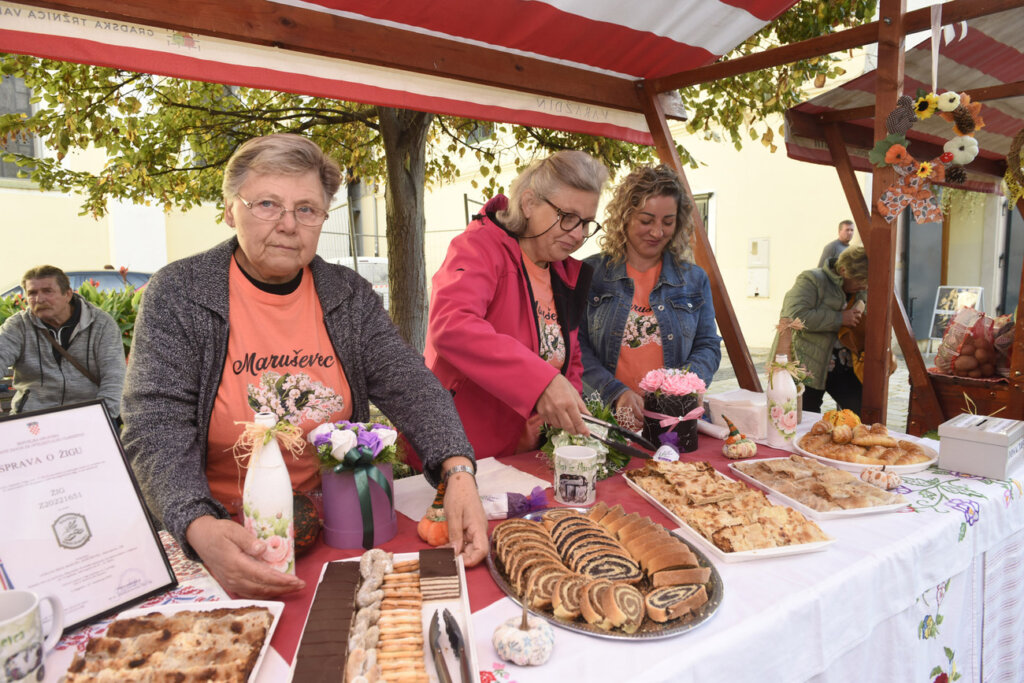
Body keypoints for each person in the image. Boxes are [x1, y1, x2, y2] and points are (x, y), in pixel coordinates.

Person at [121, 134, 486, 599]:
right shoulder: (180, 293)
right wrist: (197, 522)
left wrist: (458, 471)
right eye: (268, 204)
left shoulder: (347, 295)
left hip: (333, 519)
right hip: (223, 528)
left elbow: (411, 385)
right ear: (231, 209)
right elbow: (154, 426)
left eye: (307, 209)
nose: (289, 225)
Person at [425, 151, 609, 459]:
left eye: (587, 223)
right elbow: (452, 326)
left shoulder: (564, 273)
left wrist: (570, 417)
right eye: (567, 218)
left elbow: (570, 358)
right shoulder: (479, 247)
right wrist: (541, 382)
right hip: (464, 452)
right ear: (528, 203)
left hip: (529, 453)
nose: (577, 234)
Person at [579, 165, 721, 430]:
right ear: (624, 217)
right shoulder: (589, 274)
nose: (657, 232)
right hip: (602, 421)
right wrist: (615, 393)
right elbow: (576, 349)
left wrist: (683, 384)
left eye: (668, 222)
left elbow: (708, 345)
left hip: (672, 422)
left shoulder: (694, 279)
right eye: (646, 220)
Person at [0, 265, 126, 419]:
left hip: (90, 417)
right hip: (32, 420)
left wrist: (100, 419)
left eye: (47, 291)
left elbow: (114, 379)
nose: (39, 299)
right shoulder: (18, 326)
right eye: (32, 293)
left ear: (67, 294)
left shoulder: (101, 324)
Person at [776, 246, 869, 414]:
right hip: (808, 365)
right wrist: (840, 318)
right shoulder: (812, 280)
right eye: (860, 281)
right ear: (843, 271)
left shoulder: (860, 289)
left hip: (843, 365)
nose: (864, 286)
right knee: (804, 418)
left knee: (860, 413)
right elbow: (793, 316)